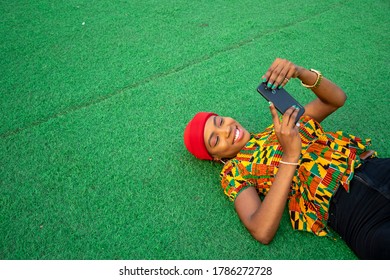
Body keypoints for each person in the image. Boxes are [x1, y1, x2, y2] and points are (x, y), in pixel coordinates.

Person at [183, 58, 390, 260]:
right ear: (215, 156)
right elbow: (261, 230)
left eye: (220, 121)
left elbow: (336, 100)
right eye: (215, 139)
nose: (226, 130)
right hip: (351, 211)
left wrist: (300, 72)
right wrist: (290, 155)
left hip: (371, 167)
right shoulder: (234, 171)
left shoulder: (280, 127)